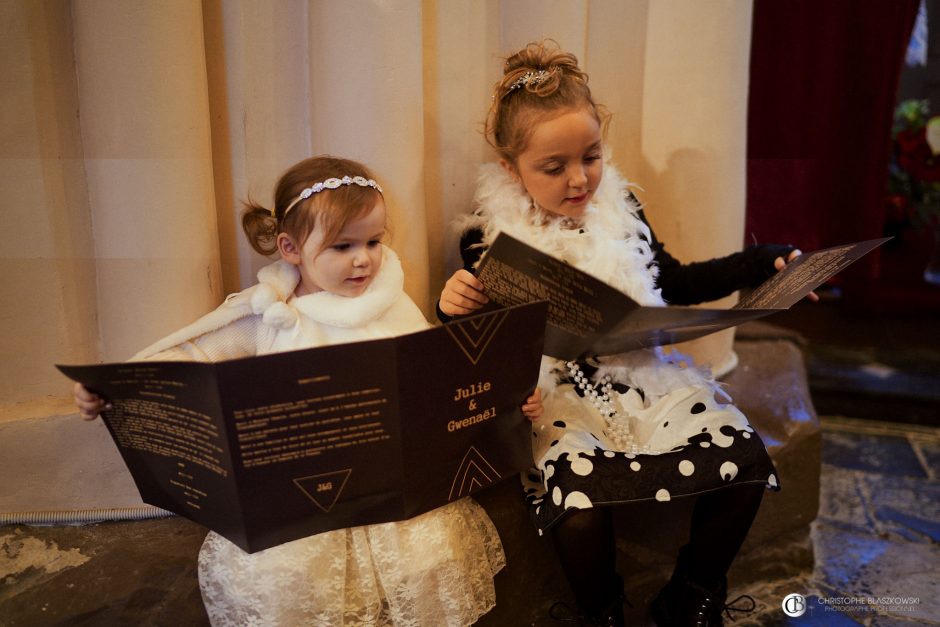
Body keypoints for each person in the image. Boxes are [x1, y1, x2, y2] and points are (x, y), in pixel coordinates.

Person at [74, 155, 542, 626]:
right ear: (290, 247)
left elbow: (443, 384)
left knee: (425, 559)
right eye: (342, 246)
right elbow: (185, 362)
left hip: (389, 492)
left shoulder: (392, 302)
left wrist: (508, 402)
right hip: (301, 500)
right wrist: (111, 391)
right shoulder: (267, 316)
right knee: (286, 577)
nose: (363, 258)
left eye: (374, 241)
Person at [437, 41, 809, 626]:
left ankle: (691, 594)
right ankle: (602, 613)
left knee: (746, 464)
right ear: (511, 170)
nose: (579, 179)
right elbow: (485, 346)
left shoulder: (624, 212)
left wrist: (766, 263)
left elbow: (679, 281)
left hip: (644, 378)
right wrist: (454, 309)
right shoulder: (488, 241)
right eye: (553, 167)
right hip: (556, 396)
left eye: (591, 156)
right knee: (580, 508)